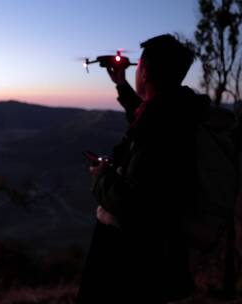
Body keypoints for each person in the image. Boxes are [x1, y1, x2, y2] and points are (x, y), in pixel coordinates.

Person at [77, 34, 211, 303]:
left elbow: (130, 203)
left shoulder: (160, 125)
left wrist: (102, 175)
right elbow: (145, 119)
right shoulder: (180, 112)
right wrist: (121, 83)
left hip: (132, 259)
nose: (135, 71)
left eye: (137, 68)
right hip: (163, 251)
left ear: (146, 72)